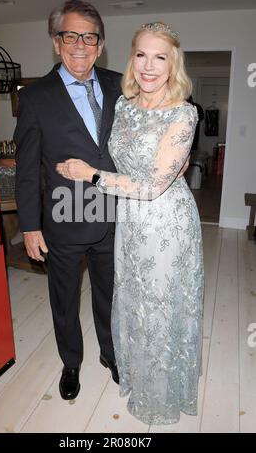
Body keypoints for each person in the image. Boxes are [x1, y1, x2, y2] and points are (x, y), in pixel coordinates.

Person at [57, 21, 204, 425]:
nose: (149, 66)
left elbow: (154, 184)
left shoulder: (184, 113)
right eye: (141, 54)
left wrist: (90, 175)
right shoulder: (123, 104)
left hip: (165, 224)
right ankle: (137, 377)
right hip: (130, 221)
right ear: (130, 58)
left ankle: (161, 395)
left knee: (161, 308)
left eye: (160, 57)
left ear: (174, 64)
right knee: (135, 305)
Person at [14, 0, 122, 401]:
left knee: (111, 293)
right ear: (57, 43)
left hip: (114, 214)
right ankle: (71, 362)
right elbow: (27, 168)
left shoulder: (119, 84)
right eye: (70, 35)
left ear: (101, 43)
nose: (80, 44)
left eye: (89, 36)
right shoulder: (36, 96)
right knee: (64, 298)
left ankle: (111, 354)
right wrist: (29, 225)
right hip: (63, 218)